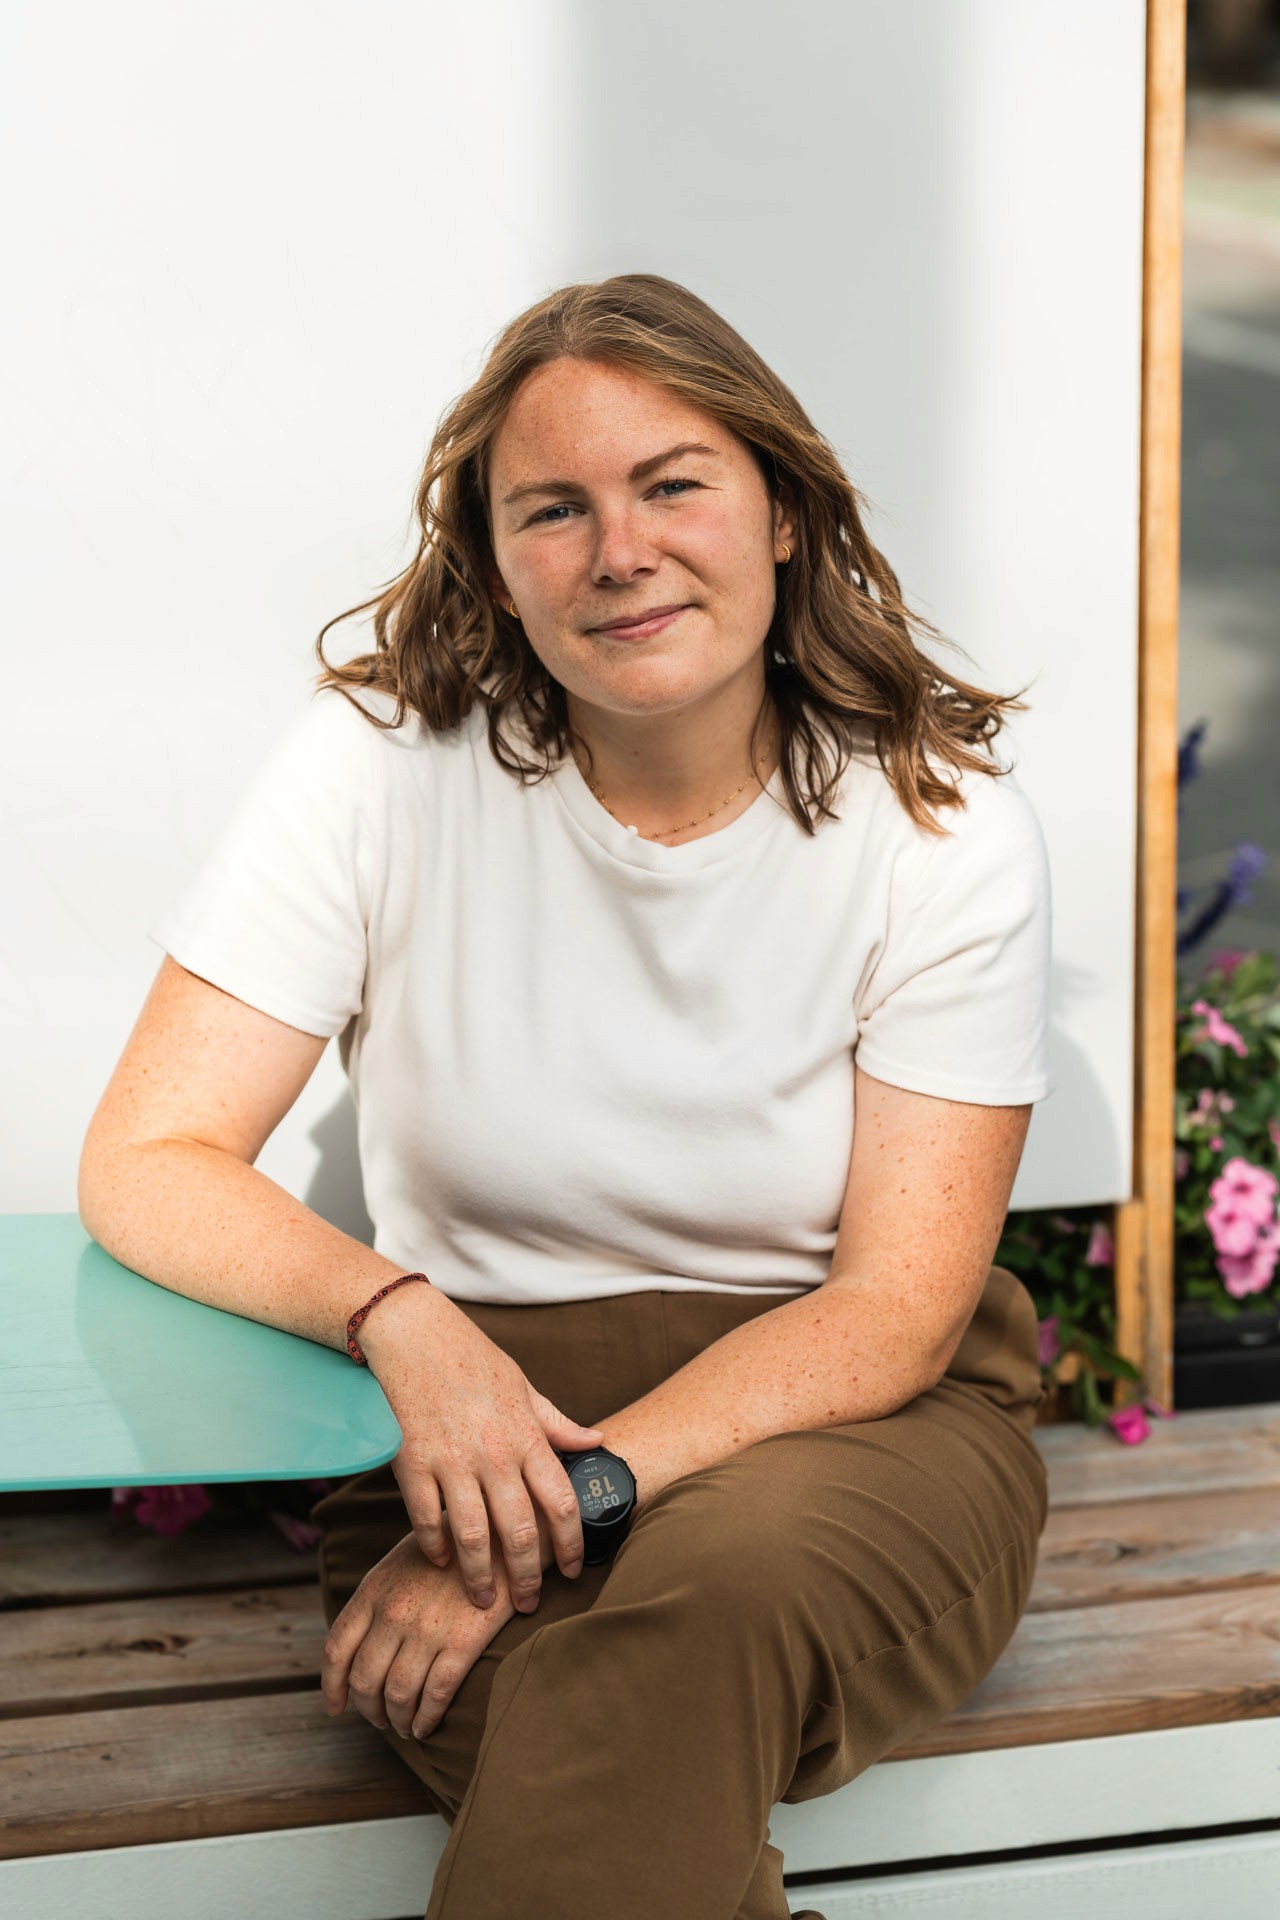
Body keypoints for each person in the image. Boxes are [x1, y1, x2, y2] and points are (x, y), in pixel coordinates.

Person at [78, 273, 1054, 1920]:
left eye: (674, 482)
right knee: (627, 1766)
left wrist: (570, 1513)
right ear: (496, 563)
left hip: (850, 1428)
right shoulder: (379, 766)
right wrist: (409, 1328)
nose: (621, 550)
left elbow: (890, 1313)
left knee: (715, 1599)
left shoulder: (941, 827)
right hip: (482, 1438)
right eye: (554, 509)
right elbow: (149, 1156)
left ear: (786, 513)